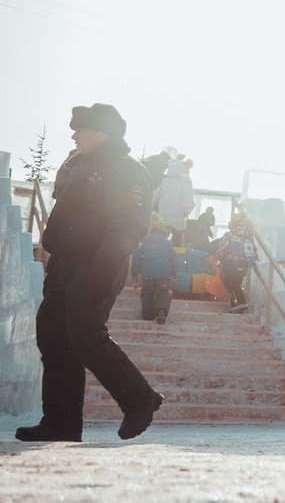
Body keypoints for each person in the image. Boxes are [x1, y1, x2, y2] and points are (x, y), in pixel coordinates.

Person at [16, 104, 164, 443]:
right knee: (53, 338)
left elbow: (128, 224)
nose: (73, 134)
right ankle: (61, 423)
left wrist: (103, 268)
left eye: (80, 129)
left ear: (102, 132)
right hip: (64, 263)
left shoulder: (128, 170)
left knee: (84, 333)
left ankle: (140, 399)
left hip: (98, 262)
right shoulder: (79, 165)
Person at [130, 216, 181, 325]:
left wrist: (135, 274)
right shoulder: (167, 242)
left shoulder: (143, 242)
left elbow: (136, 259)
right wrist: (174, 271)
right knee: (163, 293)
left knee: (147, 293)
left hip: (148, 273)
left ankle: (147, 316)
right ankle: (161, 311)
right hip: (164, 274)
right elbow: (174, 258)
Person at [209, 221, 258, 312]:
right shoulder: (248, 236)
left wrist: (217, 256)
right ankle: (236, 305)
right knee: (237, 283)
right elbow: (252, 250)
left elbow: (223, 248)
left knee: (230, 284)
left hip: (231, 263)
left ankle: (241, 303)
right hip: (243, 264)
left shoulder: (229, 235)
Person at [153, 155, 193, 245]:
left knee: (162, 235)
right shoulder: (186, 180)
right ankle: (175, 255)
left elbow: (155, 195)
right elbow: (187, 195)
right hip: (178, 213)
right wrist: (187, 209)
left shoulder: (166, 180)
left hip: (164, 212)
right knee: (177, 237)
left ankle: (160, 251)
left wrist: (150, 205)